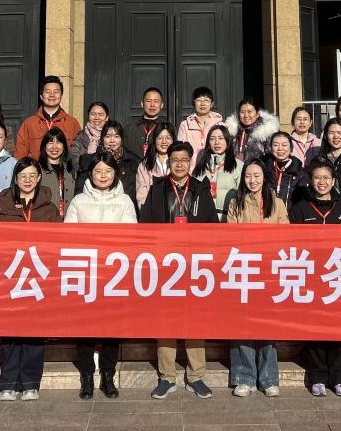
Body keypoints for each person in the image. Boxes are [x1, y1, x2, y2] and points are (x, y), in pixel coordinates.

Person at [138, 140, 217, 398]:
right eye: (175, 160)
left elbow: (212, 227)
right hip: (165, 266)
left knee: (195, 321)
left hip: (195, 266)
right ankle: (167, 376)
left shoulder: (201, 189)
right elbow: (145, 225)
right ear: (168, 163)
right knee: (166, 321)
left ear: (190, 162)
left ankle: (196, 376)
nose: (179, 164)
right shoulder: (158, 189)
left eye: (184, 160)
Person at [64, 151, 136, 398]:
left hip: (114, 274)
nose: (103, 176)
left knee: (111, 327)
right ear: (90, 174)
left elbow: (130, 237)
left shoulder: (125, 201)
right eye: (98, 171)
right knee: (84, 327)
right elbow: (69, 237)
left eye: (108, 171)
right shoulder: (79, 201)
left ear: (115, 173)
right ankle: (86, 376)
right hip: (85, 272)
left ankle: (108, 375)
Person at [0, 158, 61, 400]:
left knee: (34, 330)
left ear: (39, 178)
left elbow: (59, 241)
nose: (28, 180)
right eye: (23, 176)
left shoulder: (49, 209)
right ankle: (8, 382)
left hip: (38, 277)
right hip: (11, 276)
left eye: (32, 175)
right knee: (10, 330)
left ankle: (31, 382)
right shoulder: (3, 207)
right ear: (16, 178)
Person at [290, 159, 341, 396]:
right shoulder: (300, 208)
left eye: (326, 178)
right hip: (311, 275)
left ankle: (338, 377)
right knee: (316, 326)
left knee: (340, 327)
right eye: (317, 177)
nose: (322, 182)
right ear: (311, 180)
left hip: (339, 275)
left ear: (334, 181)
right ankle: (317, 376)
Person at [224, 158, 287, 397]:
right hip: (244, 269)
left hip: (269, 270)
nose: (252, 180)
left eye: (257, 175)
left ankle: (268, 378)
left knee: (268, 324)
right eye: (248, 176)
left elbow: (286, 234)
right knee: (242, 323)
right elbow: (231, 236)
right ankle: (244, 377)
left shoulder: (277, 203)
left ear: (264, 177)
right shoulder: (235, 203)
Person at [15, 75, 81, 160]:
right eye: (48, 92)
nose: (52, 95)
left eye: (56, 92)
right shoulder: (29, 124)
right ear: (41, 96)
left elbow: (77, 155)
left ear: (61, 96)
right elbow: (20, 156)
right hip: (36, 168)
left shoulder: (72, 123)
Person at [76, 120, 139, 202]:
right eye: (108, 136)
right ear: (102, 138)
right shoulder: (88, 161)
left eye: (116, 136)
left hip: (123, 206)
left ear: (121, 139)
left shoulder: (132, 161)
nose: (112, 140)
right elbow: (80, 190)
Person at [194, 124, 239, 219]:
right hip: (203, 219)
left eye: (221, 138)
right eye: (212, 139)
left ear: (228, 142)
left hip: (227, 219)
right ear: (208, 143)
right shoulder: (200, 167)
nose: (216, 142)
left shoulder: (238, 166)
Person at [135, 121, 177, 205]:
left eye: (168, 138)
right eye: (160, 138)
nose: (164, 141)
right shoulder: (144, 165)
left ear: (173, 140)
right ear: (154, 140)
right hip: (152, 210)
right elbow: (141, 197)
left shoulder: (180, 162)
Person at [38, 128, 77, 219]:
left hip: (69, 219)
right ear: (44, 146)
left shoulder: (71, 170)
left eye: (58, 142)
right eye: (50, 142)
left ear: (64, 146)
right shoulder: (37, 170)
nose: (54, 147)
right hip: (46, 220)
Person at [225, 97, 279, 162]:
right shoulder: (232, 131)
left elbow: (271, 159)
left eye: (249, 112)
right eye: (242, 112)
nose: (246, 115)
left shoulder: (266, 132)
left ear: (257, 114)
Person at [176, 86, 222, 157]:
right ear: (194, 103)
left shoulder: (220, 125)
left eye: (206, 100)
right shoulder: (185, 125)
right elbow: (181, 149)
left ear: (212, 104)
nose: (202, 103)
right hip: (191, 164)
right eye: (199, 100)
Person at [266, 130, 308, 207]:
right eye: (276, 145)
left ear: (291, 148)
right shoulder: (265, 168)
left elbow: (303, 199)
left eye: (284, 145)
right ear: (271, 148)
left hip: (291, 212)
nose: (280, 148)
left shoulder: (300, 172)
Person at [124, 87, 168, 159]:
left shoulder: (168, 128)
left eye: (156, 101)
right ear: (142, 104)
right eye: (148, 101)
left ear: (162, 105)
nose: (152, 105)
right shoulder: (129, 129)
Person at [70, 101, 109, 166]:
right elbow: (75, 161)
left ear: (107, 117)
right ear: (88, 116)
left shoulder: (112, 137)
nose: (97, 118)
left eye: (100, 114)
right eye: (93, 114)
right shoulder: (80, 137)